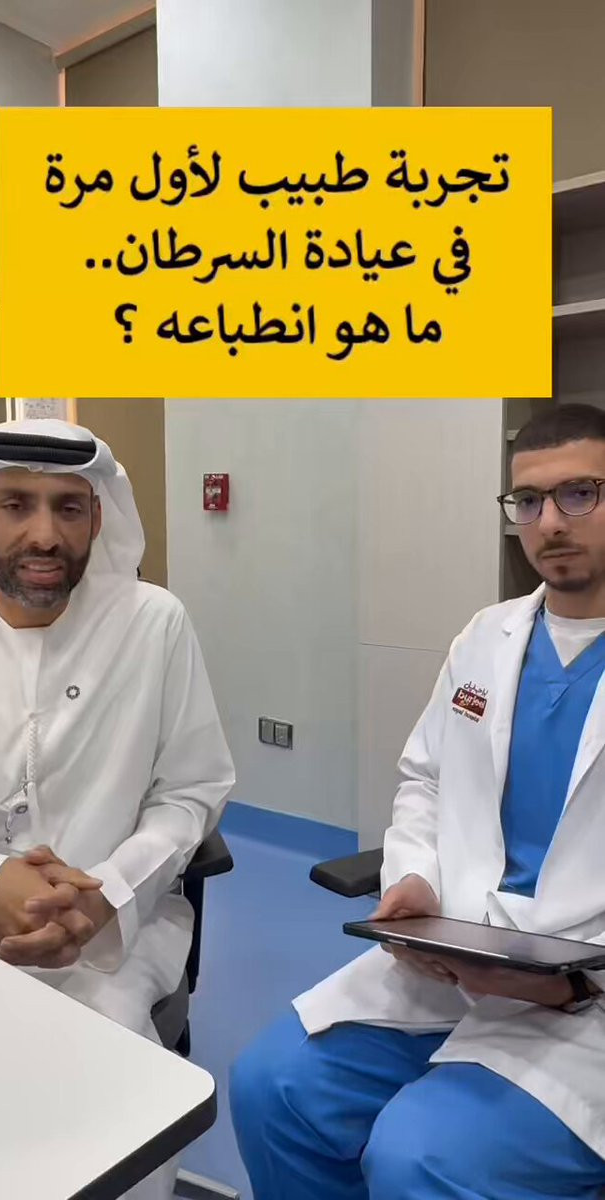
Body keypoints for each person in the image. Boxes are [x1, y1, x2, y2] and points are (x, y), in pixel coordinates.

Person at [230, 402, 605, 1200]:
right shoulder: (485, 637)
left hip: (587, 994)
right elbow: (424, 780)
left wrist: (574, 983)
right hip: (455, 957)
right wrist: (414, 880)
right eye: (527, 500)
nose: (548, 523)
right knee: (272, 1088)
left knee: (422, 1157)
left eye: (579, 494)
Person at [0, 417, 235, 1200]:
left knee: (114, 1116)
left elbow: (190, 790)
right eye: (16, 504)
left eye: (69, 508)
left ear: (98, 518)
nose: (45, 534)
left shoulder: (152, 622)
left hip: (109, 942)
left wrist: (107, 896)